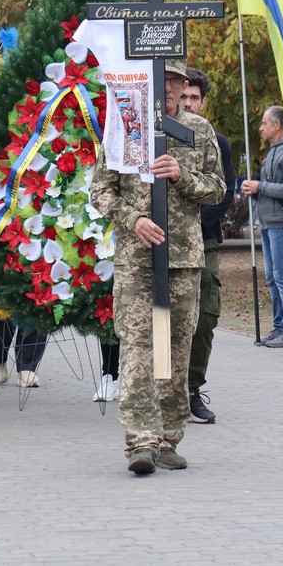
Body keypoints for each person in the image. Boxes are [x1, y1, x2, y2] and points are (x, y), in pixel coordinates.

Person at [90, 59, 225, 475]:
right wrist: (134, 220)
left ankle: (168, 437)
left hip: (183, 260)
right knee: (137, 349)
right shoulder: (123, 125)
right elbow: (100, 190)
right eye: (159, 80)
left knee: (174, 353)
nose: (167, 88)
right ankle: (140, 442)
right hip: (137, 262)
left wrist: (183, 176)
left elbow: (218, 189)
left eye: (174, 82)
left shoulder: (198, 131)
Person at [181, 66, 236, 422]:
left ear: (203, 101)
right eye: (182, 95)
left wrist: (193, 225)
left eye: (194, 98)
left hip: (203, 242)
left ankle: (191, 389)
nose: (188, 103)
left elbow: (223, 193)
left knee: (204, 319)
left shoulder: (217, 141)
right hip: (160, 242)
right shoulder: (155, 134)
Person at [240, 105, 283, 349]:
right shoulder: (273, 150)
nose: (261, 128)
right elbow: (269, 186)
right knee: (271, 276)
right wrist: (254, 191)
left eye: (264, 123)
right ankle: (280, 325)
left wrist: (260, 187)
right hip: (268, 220)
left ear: (277, 125)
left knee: (282, 274)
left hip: (280, 221)